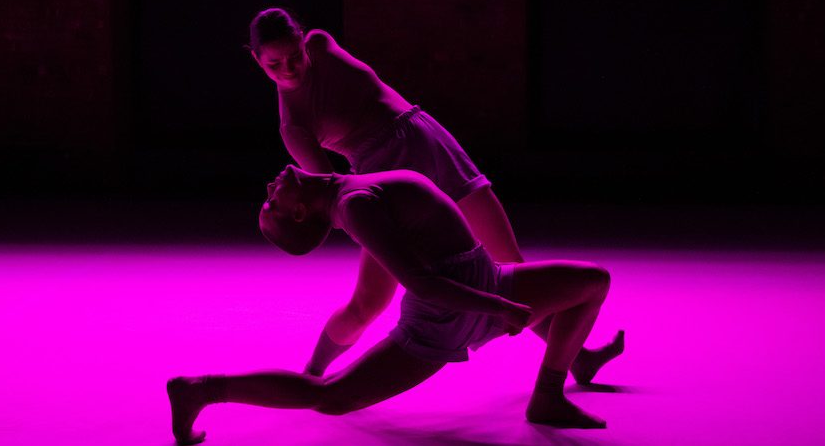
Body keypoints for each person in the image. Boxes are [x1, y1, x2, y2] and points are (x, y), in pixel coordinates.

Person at [167, 166, 623, 444]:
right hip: (448, 315)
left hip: (486, 280)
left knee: (591, 282)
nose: (270, 186)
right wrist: (495, 307)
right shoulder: (357, 204)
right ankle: (202, 389)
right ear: (299, 212)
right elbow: (423, 283)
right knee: (332, 397)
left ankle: (547, 396)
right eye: (272, 201)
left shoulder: (347, 184)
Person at [248, 7, 530, 376]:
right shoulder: (294, 127)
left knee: (510, 260)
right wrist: (373, 223)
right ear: (257, 60)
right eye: (274, 64)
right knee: (368, 302)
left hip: (424, 137)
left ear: (304, 42)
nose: (289, 69)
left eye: (294, 56)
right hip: (387, 175)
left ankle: (574, 357)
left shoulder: (320, 45)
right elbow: (326, 192)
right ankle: (311, 375)